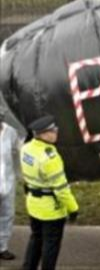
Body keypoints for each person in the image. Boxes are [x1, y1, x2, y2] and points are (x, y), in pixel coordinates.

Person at [20, 115, 79, 270]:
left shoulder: (26, 148)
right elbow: (61, 189)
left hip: (33, 205)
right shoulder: (50, 158)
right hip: (51, 210)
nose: (56, 132)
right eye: (53, 130)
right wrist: (73, 208)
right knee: (50, 246)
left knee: (35, 239)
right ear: (44, 134)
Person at [0, 108, 22, 261]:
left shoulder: (10, 132)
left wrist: (19, 175)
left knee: (7, 215)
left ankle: (2, 247)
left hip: (7, 181)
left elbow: (16, 153)